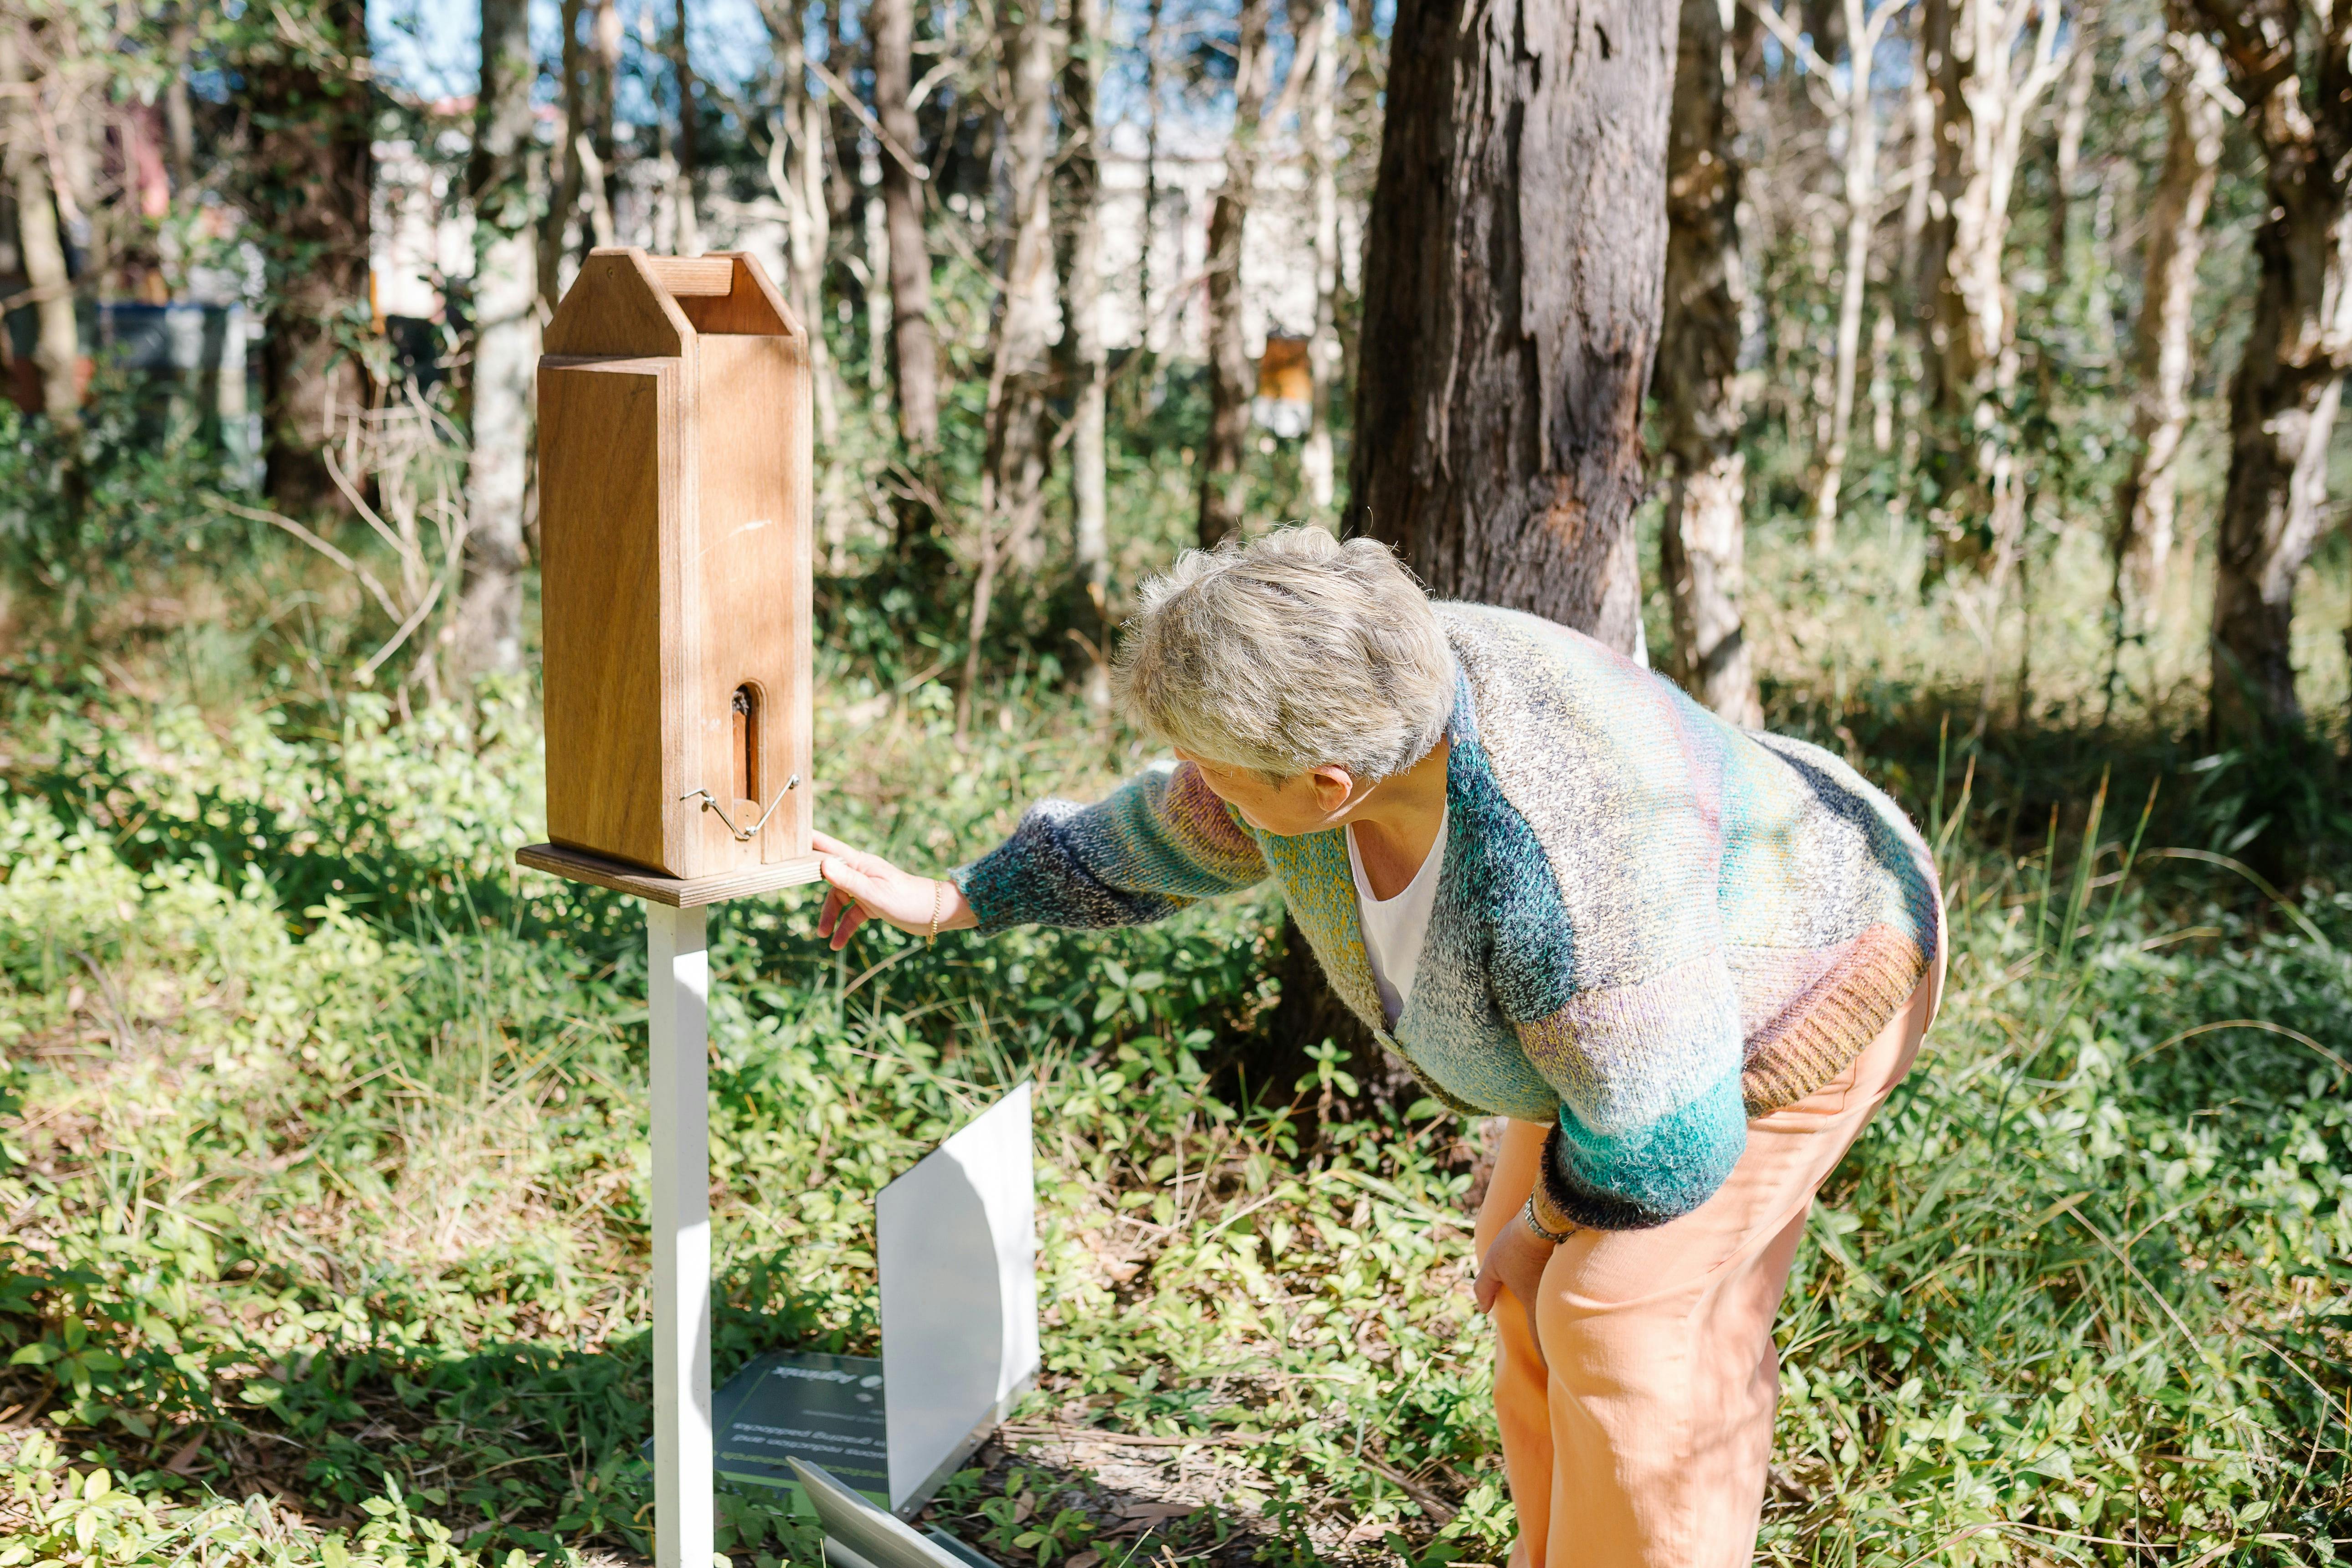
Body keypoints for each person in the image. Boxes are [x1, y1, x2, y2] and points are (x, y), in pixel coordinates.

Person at [811, 528, 1942, 1568]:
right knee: (1532, 1304)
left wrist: (1541, 1221)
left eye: (1215, 765)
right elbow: (1172, 827)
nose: (1195, 781)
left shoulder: (1562, 863)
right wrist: (954, 897)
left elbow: (1665, 1146)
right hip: (1622, 1040)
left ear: (1326, 787)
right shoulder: (1350, 712)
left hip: (1799, 982)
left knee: (1620, 1317)